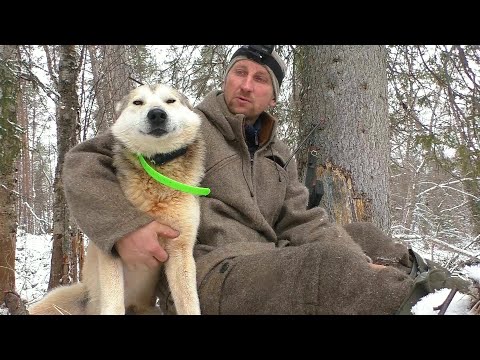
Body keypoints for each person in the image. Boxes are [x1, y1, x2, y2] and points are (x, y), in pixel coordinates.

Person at [62, 45, 473, 315]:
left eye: (260, 79)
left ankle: (459, 291)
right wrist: (124, 228)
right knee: (327, 264)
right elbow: (85, 160)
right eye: (239, 72)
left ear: (273, 96)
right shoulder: (184, 125)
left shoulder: (278, 155)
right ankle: (426, 306)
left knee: (364, 236)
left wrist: (362, 259)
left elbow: (302, 221)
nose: (246, 84)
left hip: (265, 263)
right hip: (209, 272)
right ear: (226, 78)